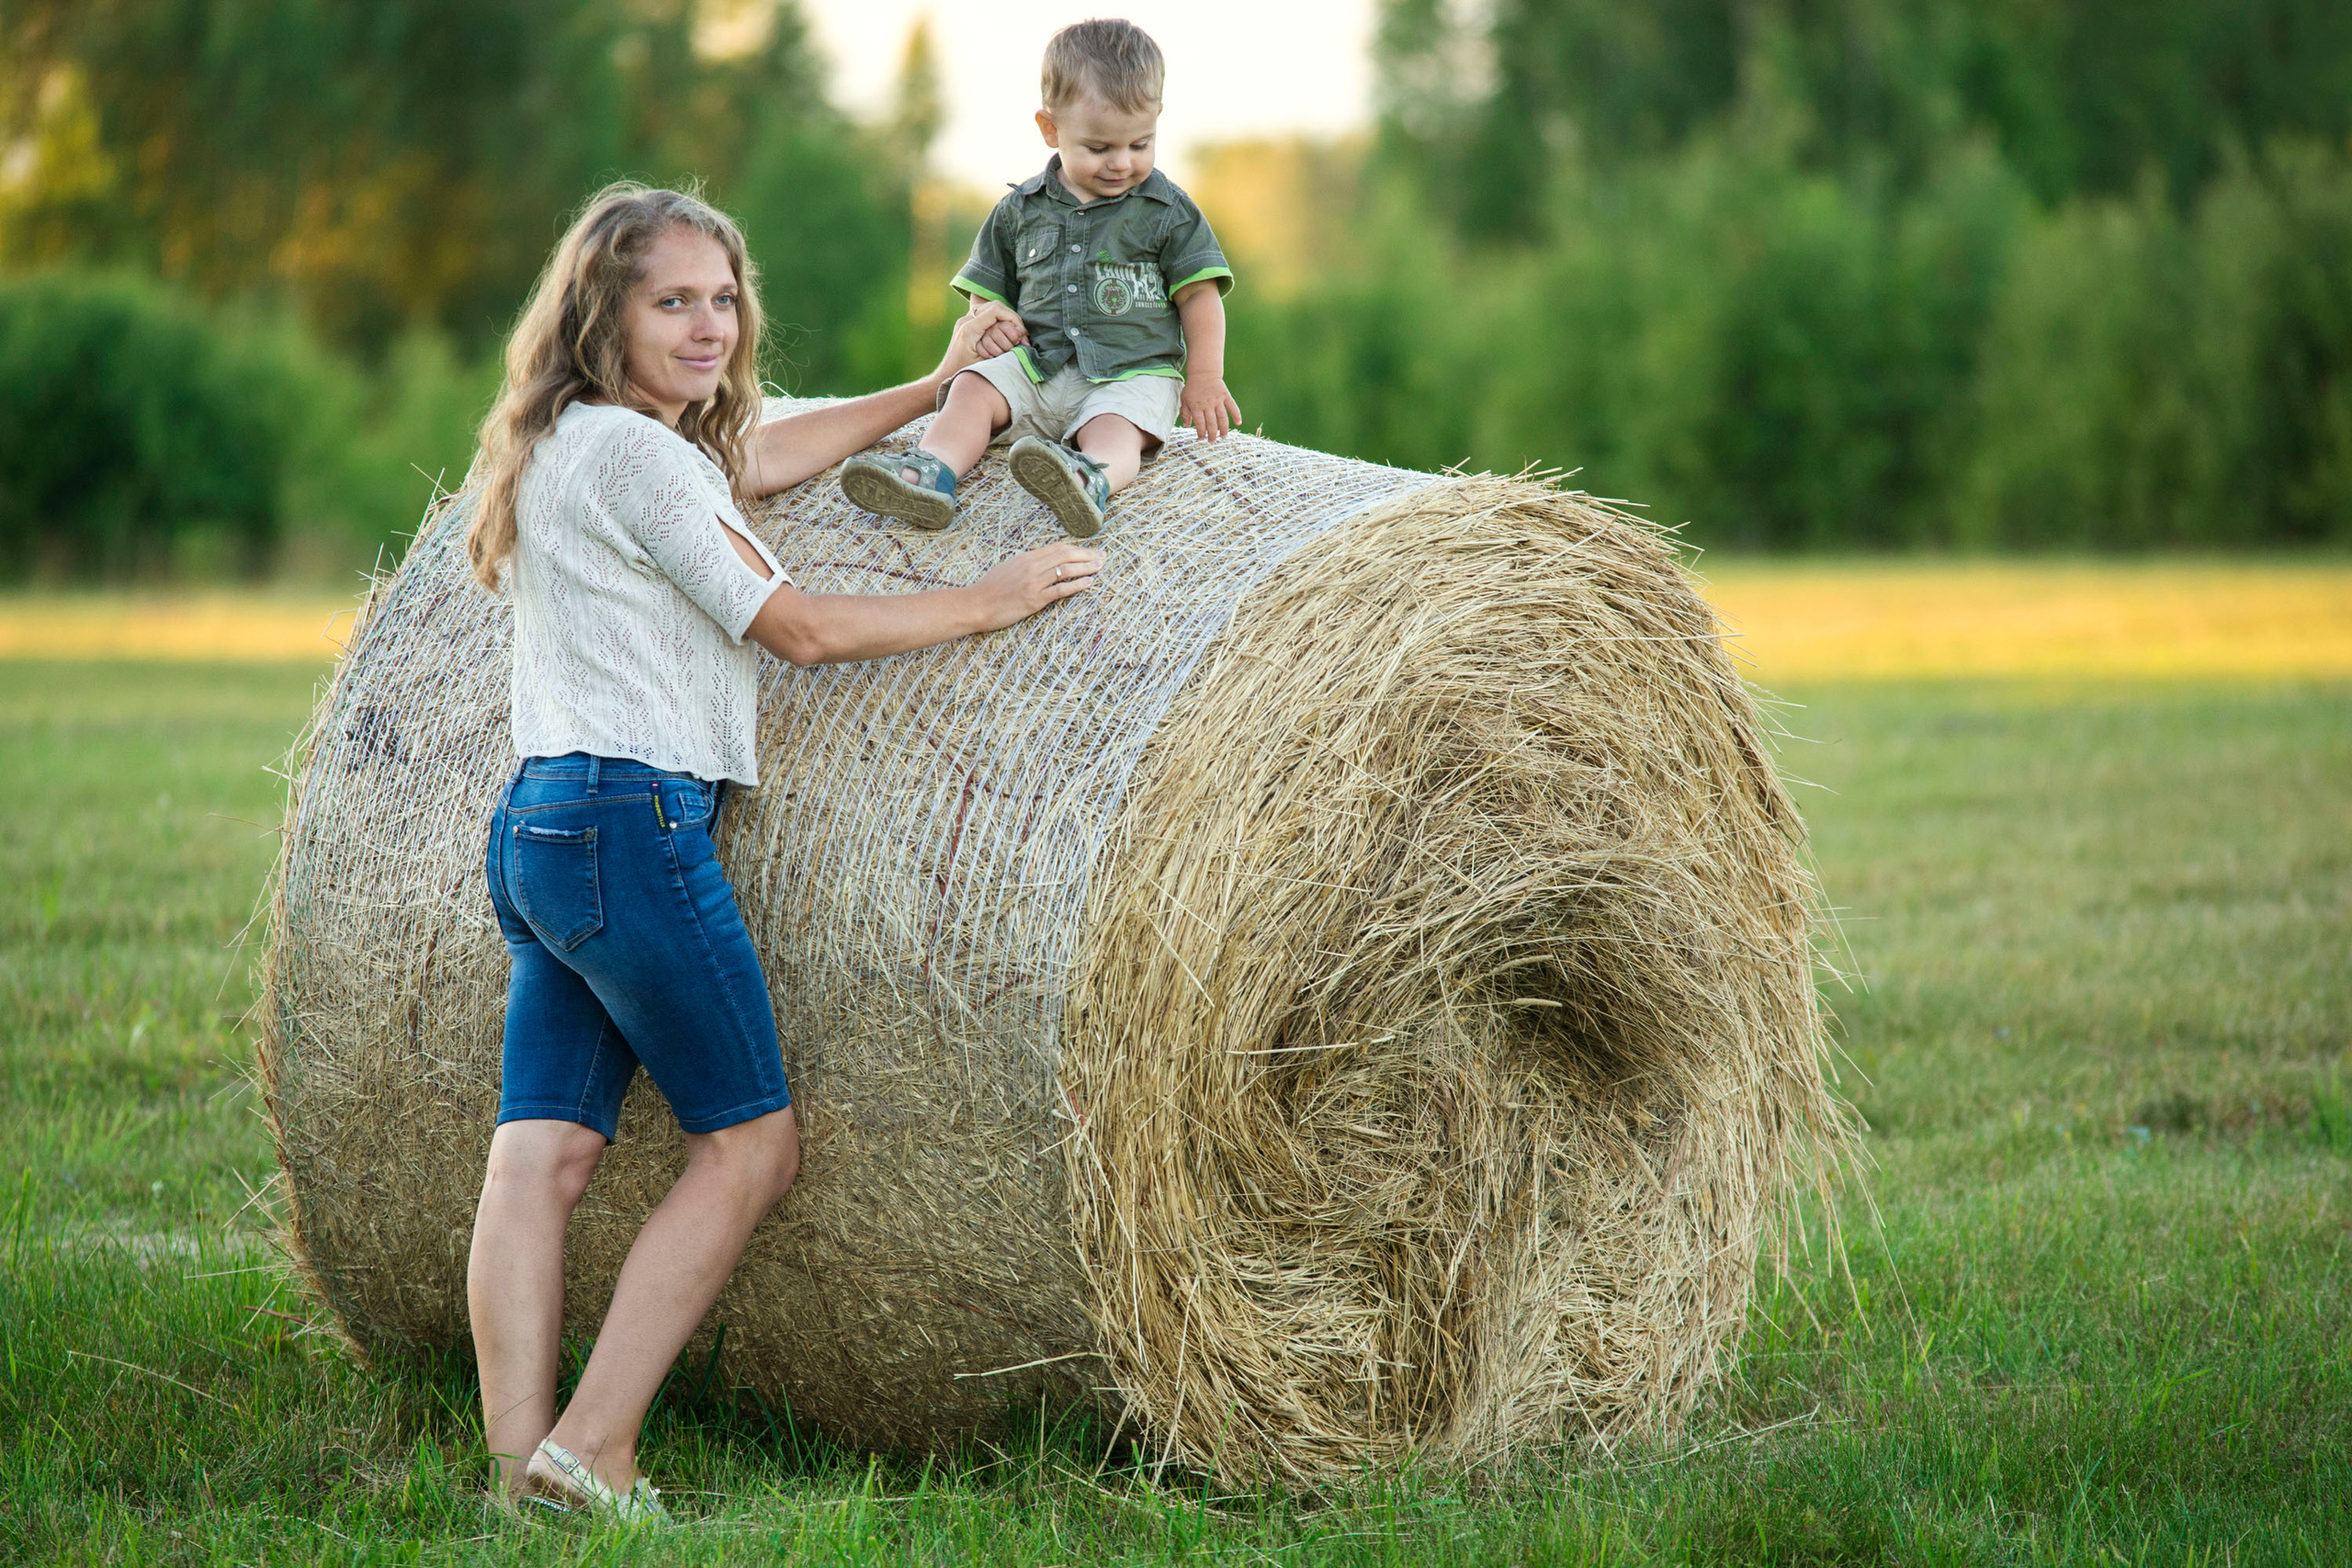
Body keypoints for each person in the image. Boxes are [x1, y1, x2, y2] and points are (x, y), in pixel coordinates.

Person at [460, 181, 1100, 1521]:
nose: (709, 325)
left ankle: (519, 1464)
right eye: (671, 301)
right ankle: (598, 1447)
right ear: (604, 312)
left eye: (722, 297)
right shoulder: (640, 457)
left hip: (540, 824)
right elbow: (793, 627)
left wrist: (929, 387)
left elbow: (759, 458)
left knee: (541, 1155)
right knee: (752, 1143)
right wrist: (988, 598)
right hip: (634, 823)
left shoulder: (579, 439)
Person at [839, 17, 1241, 538]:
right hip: (1037, 369)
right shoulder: (1017, 211)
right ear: (1051, 129)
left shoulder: (1169, 212)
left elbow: (1200, 297)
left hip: (1131, 375)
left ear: (1157, 120)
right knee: (971, 388)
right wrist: (990, 322)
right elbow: (984, 304)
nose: (1121, 163)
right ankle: (929, 472)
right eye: (1099, 148)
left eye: (1140, 144)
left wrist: (1205, 377)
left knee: (1114, 429)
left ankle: (1090, 477)